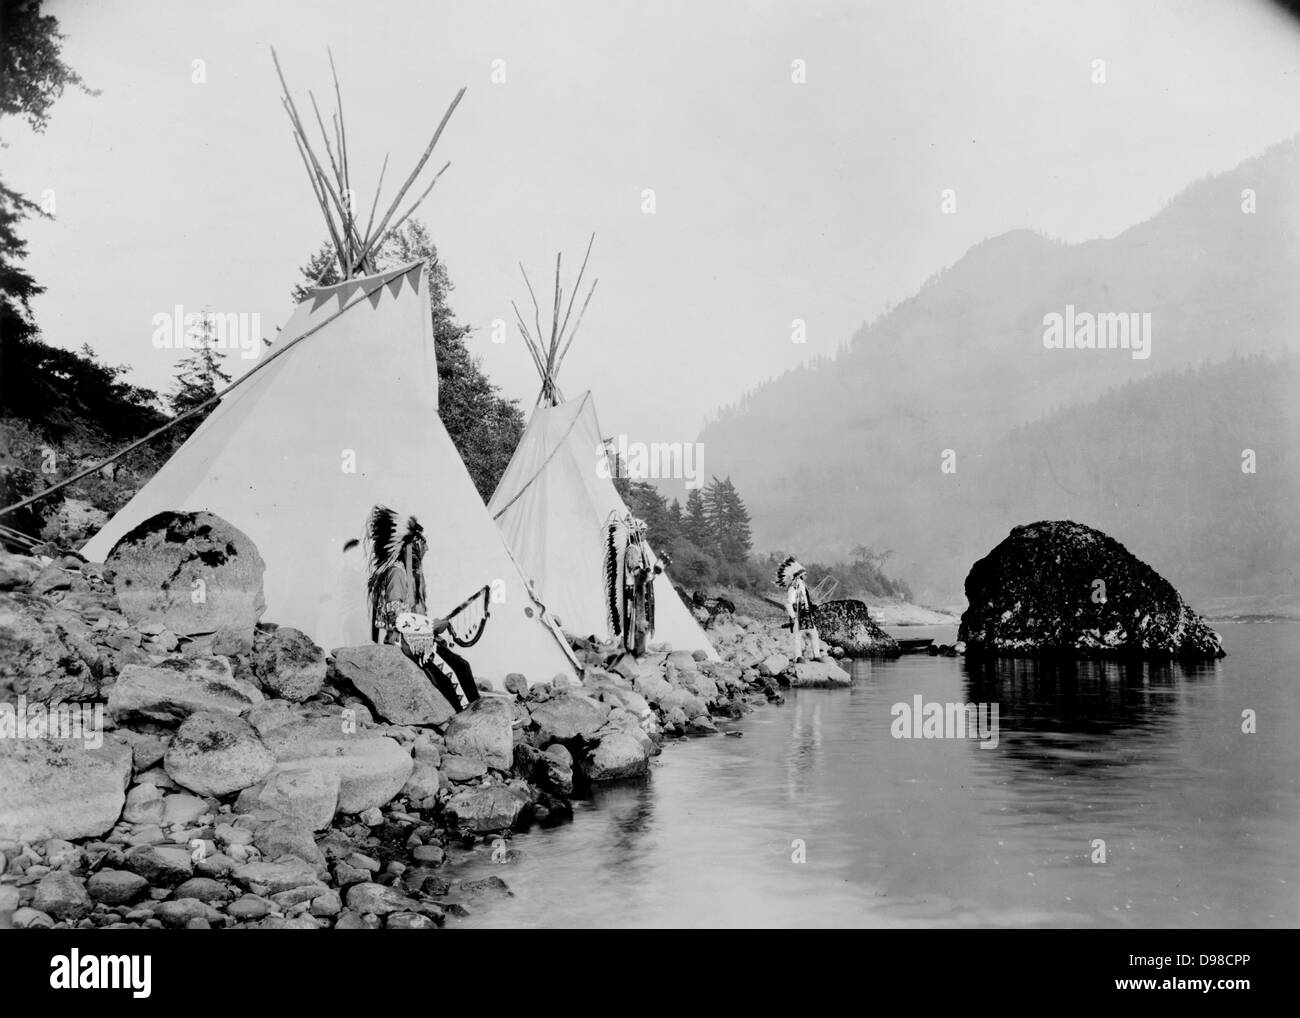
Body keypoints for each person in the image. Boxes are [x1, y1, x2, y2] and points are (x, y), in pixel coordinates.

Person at [363, 505, 480, 708]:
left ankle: (477, 713)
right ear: (410, 546)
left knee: (461, 666)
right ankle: (471, 716)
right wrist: (431, 626)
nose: (425, 548)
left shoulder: (407, 574)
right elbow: (397, 618)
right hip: (406, 643)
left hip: (416, 640)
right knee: (453, 672)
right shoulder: (397, 574)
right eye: (421, 543)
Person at [603, 512, 661, 656]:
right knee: (636, 621)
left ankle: (638, 650)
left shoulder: (639, 550)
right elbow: (635, 571)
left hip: (639, 591)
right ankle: (634, 651)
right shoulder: (632, 550)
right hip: (633, 592)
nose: (645, 535)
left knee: (640, 621)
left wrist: (652, 573)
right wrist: (651, 574)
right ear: (637, 533)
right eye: (643, 532)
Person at [776, 556, 823, 661]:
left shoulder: (803, 587)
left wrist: (811, 607)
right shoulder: (793, 588)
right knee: (798, 636)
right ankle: (798, 656)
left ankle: (817, 655)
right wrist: (793, 617)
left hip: (806, 615)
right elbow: (788, 604)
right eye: (805, 574)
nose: (806, 576)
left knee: (814, 634)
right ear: (800, 576)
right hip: (798, 615)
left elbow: (806, 601)